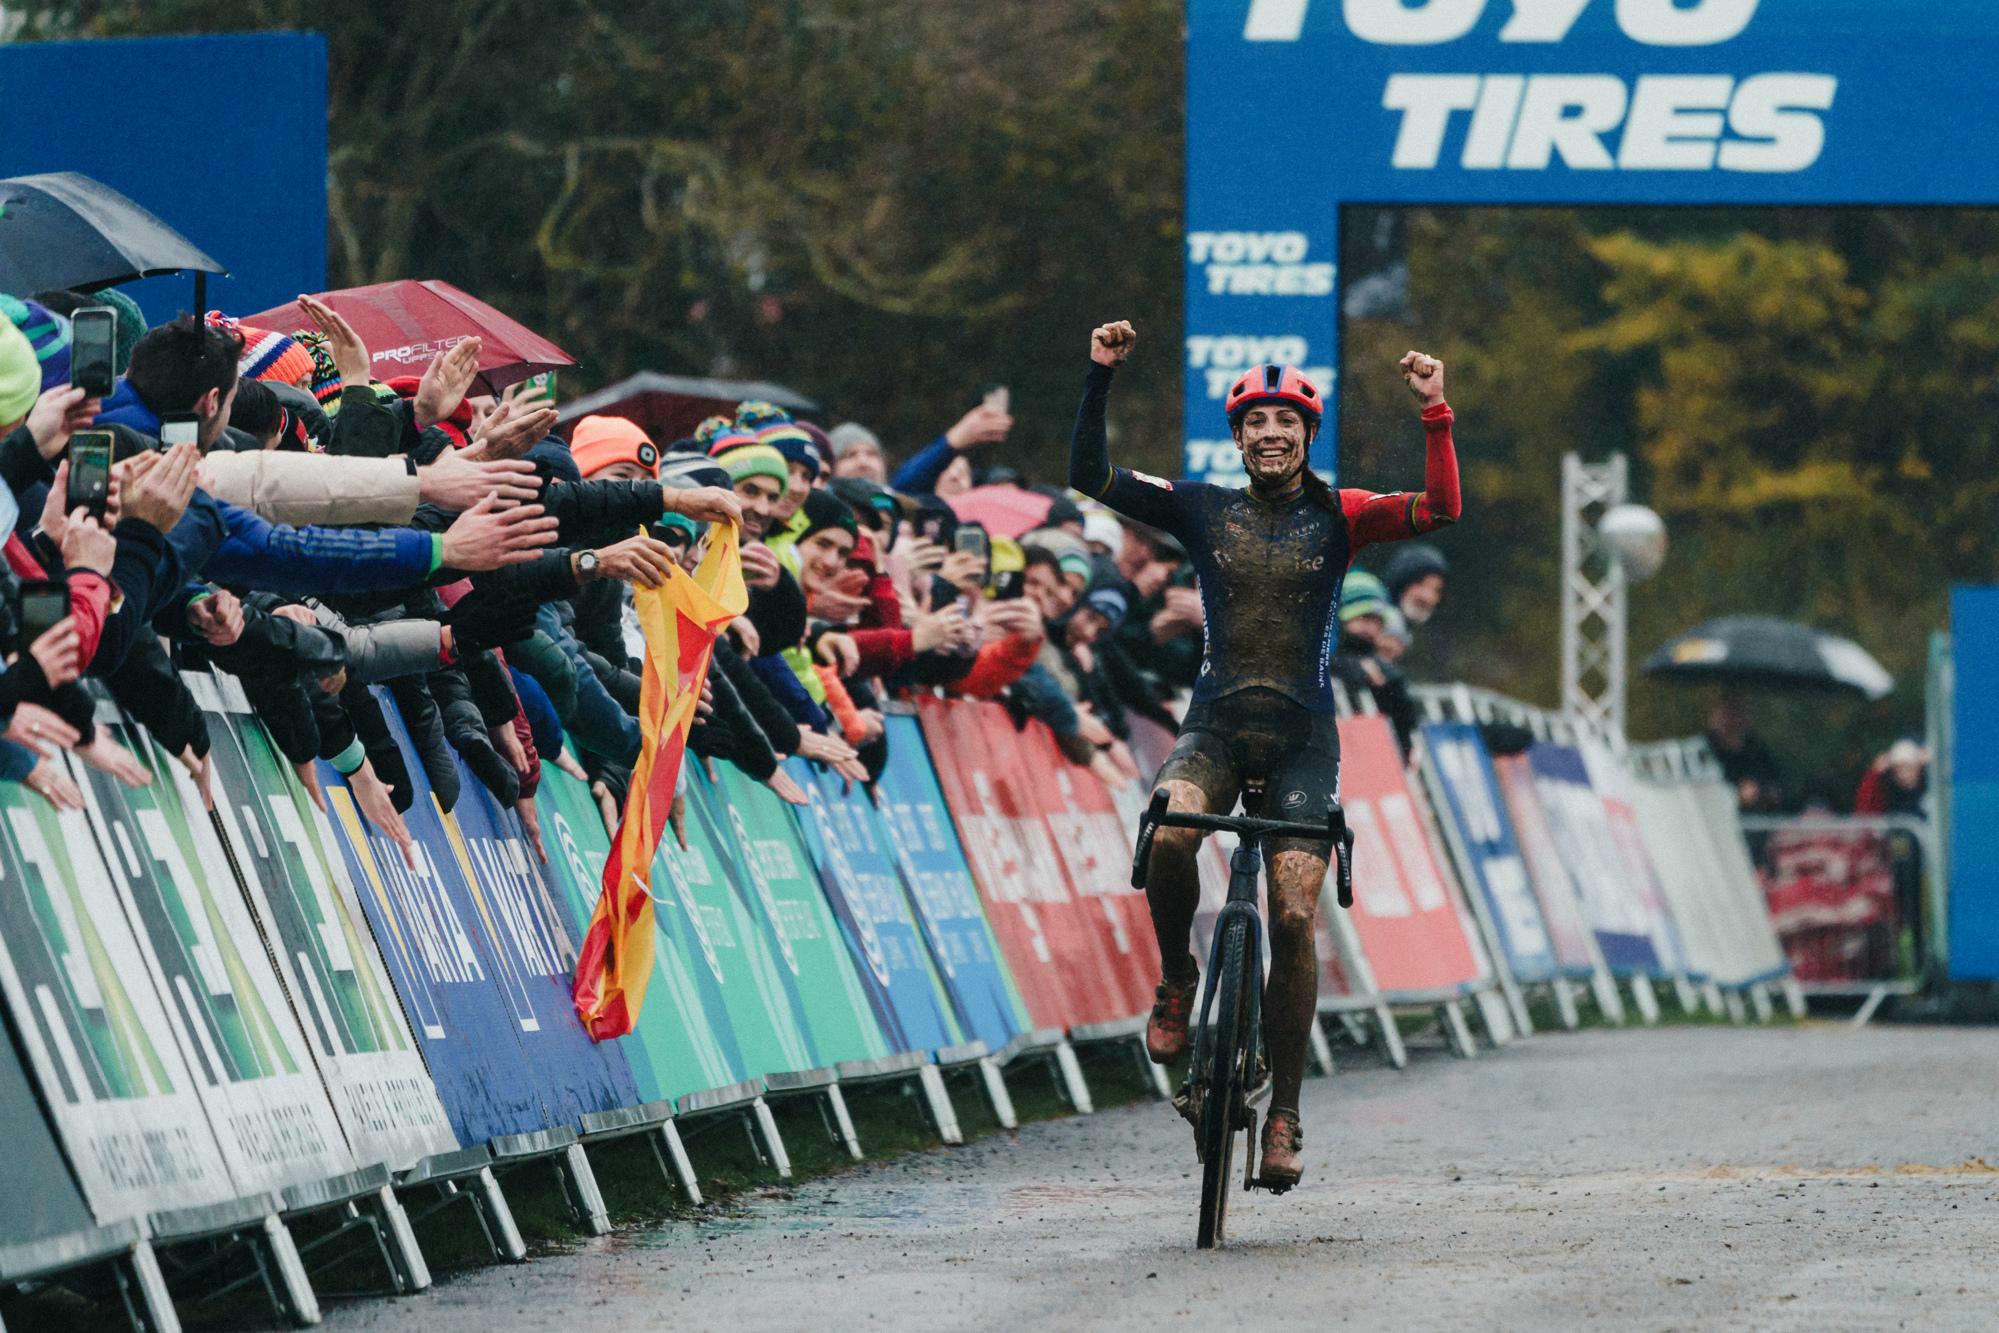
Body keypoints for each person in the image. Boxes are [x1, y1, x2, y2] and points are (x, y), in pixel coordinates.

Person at [1070, 318, 1459, 1190]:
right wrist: (1099, 376)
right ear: (1237, 435)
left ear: (1307, 436)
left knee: (1291, 915)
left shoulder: (1342, 513)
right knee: (1169, 831)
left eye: (1286, 422)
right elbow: (1086, 475)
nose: (1270, 434)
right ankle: (1177, 974)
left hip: (1301, 741)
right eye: (1254, 422)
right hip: (1212, 725)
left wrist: (1434, 415)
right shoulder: (1201, 506)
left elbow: (1440, 510)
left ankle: (1283, 1111)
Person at [1704, 694, 1785, 812]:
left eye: (1736, 712)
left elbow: (1779, 790)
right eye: (1726, 713)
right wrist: (1736, 795)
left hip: (1757, 823)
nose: (1731, 719)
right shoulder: (1701, 751)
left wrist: (1761, 792)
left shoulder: (1757, 752)